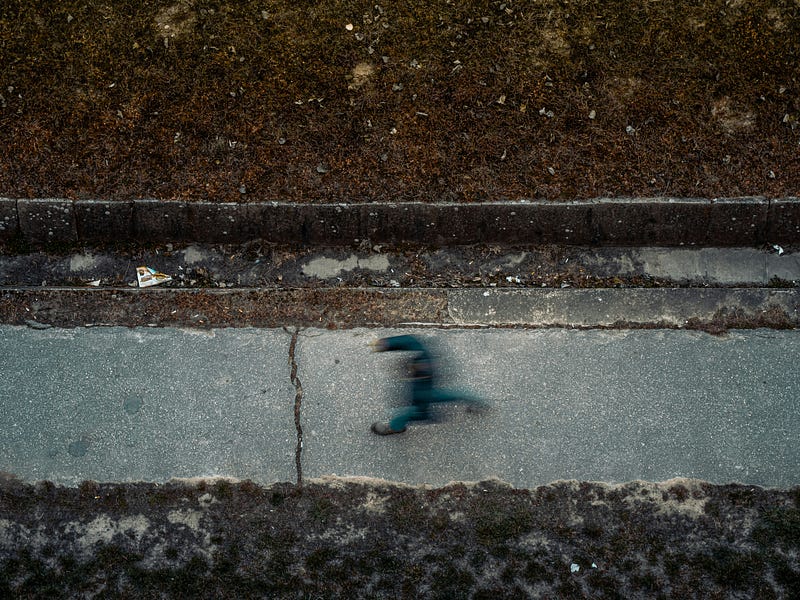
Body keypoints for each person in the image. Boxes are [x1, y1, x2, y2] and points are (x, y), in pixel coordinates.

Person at [370, 334, 488, 435]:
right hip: (425, 385)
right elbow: (411, 341)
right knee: (443, 395)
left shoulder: (421, 386)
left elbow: (420, 413)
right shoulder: (423, 357)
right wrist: (388, 343)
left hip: (424, 391)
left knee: (421, 406)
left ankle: (395, 426)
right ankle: (474, 399)